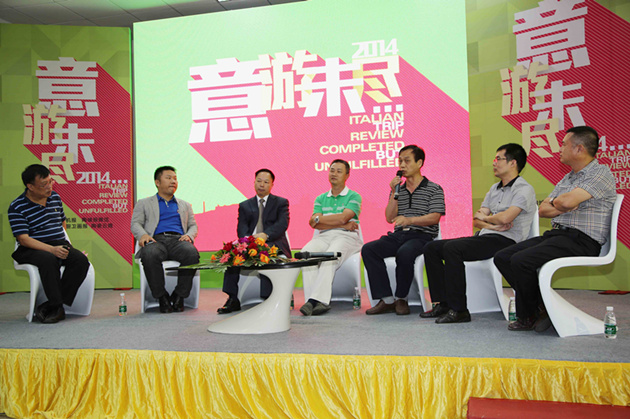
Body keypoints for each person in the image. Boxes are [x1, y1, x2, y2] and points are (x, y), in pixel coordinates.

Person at [494, 126, 616, 332]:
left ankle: (529, 315)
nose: (560, 149)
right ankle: (541, 307)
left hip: (582, 240)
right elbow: (543, 210)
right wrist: (561, 203)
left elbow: (565, 202)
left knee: (521, 260)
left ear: (579, 149)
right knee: (503, 257)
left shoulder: (600, 173)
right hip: (558, 235)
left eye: (564, 144)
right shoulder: (569, 178)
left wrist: (561, 203)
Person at [420, 143, 536, 323]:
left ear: (513, 163)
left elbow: (506, 217)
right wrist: (492, 225)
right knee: (431, 248)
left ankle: (459, 310)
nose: (494, 162)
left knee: (453, 248)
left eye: (498, 159)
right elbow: (476, 220)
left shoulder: (524, 189)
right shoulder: (494, 189)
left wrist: (488, 219)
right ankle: (442, 303)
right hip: (487, 236)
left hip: (507, 241)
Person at [363, 145, 445, 315]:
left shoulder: (434, 188)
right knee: (369, 249)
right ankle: (387, 299)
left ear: (419, 163)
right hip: (399, 234)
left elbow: (435, 217)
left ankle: (401, 298)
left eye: (407, 161)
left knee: (405, 253)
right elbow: (389, 217)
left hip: (422, 236)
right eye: (400, 161)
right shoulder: (398, 189)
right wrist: (394, 192)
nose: (402, 165)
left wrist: (410, 220)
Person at [8, 164, 90, 324]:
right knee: (48, 259)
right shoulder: (17, 206)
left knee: (80, 260)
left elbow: (62, 222)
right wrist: (52, 249)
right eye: (44, 184)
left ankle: (54, 305)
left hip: (57, 243)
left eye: (50, 181)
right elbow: (23, 239)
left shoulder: (55, 197)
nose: (49, 187)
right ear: (30, 186)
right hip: (31, 247)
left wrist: (64, 244)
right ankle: (57, 307)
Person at [217, 168, 291, 314]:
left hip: (273, 243)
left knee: (267, 255)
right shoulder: (245, 205)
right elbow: (241, 229)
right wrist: (248, 241)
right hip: (250, 244)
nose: (262, 185)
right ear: (254, 182)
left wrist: (265, 235)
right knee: (232, 256)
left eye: (266, 182)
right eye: (259, 181)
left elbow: (282, 225)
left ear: (272, 184)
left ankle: (268, 299)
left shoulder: (281, 203)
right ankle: (232, 298)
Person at [131, 166, 200, 313]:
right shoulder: (144, 203)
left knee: (192, 253)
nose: (173, 181)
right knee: (149, 254)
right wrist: (143, 235)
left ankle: (179, 295)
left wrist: (189, 235)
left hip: (178, 241)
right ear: (157, 182)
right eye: (168, 178)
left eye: (175, 178)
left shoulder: (185, 205)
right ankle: (161, 296)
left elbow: (193, 225)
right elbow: (135, 223)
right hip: (156, 240)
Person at [299, 159, 363, 316]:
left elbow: (342, 218)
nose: (334, 174)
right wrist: (341, 223)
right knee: (306, 254)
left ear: (347, 175)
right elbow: (313, 223)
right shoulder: (321, 198)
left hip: (347, 236)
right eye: (332, 170)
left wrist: (322, 219)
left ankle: (315, 301)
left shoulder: (354, 196)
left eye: (339, 171)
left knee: (330, 256)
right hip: (324, 236)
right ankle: (314, 302)